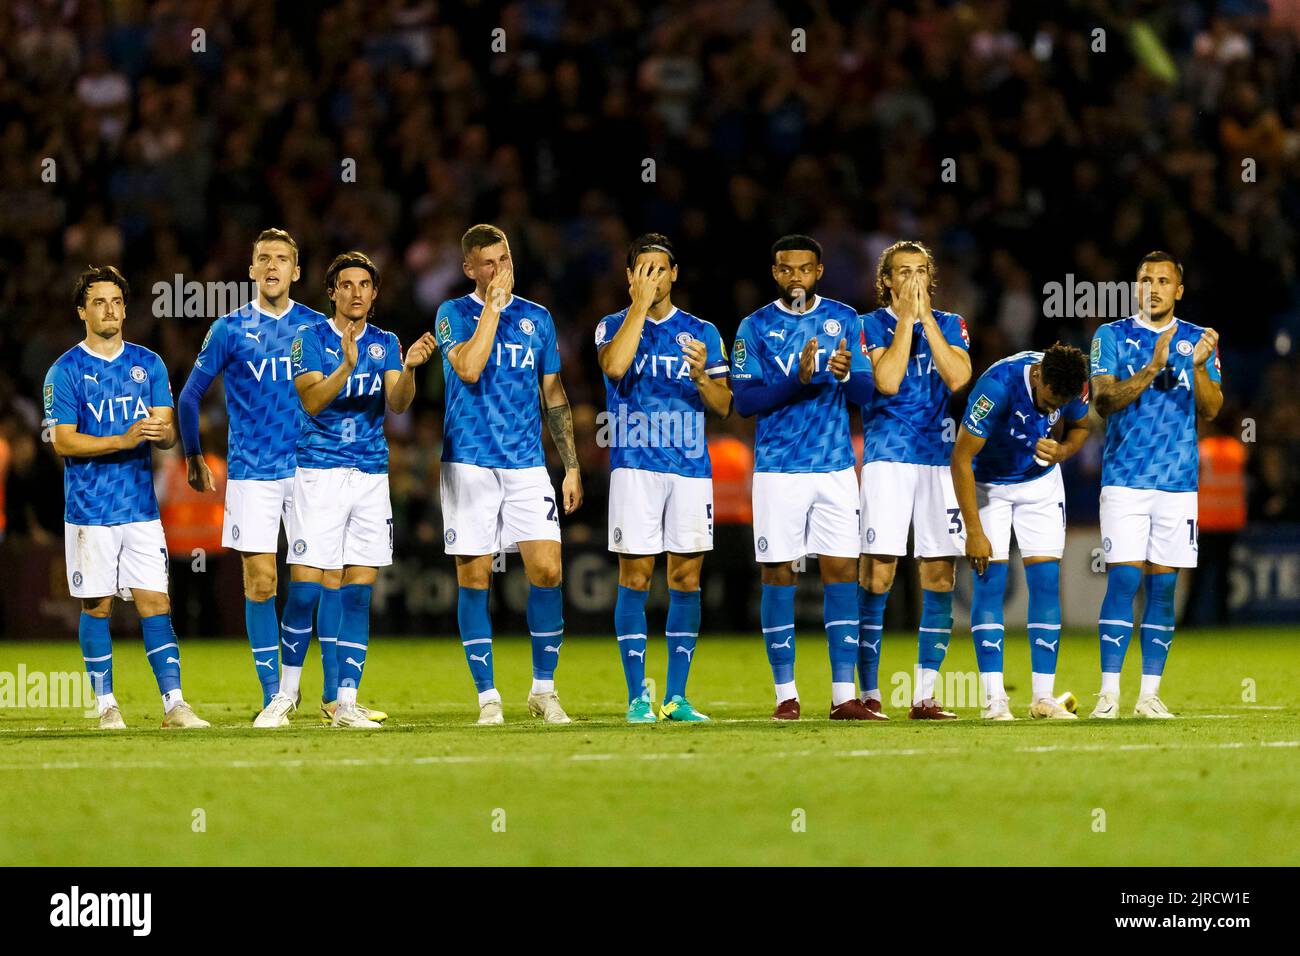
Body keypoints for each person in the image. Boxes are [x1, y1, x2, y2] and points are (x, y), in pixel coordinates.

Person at [256, 252, 435, 728]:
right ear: (332, 292)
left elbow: (397, 404)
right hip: (318, 474)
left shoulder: (387, 342)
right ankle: (285, 696)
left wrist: (411, 368)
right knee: (306, 589)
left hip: (372, 477)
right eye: (346, 284)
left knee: (359, 591)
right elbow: (312, 400)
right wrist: (347, 367)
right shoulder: (308, 339)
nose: (356, 292)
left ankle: (346, 701)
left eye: (364, 285)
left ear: (374, 294)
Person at [43, 265, 209, 729]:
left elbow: (166, 431)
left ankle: (175, 704)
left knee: (156, 603)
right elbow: (63, 441)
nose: (110, 309)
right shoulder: (65, 371)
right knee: (97, 605)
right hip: (90, 510)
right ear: (82, 311)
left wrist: (160, 433)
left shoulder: (148, 363)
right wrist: (124, 438)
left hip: (139, 509)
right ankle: (106, 706)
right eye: (99, 301)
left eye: (116, 301)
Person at [436, 224, 583, 725]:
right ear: (469, 269)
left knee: (547, 571)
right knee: (475, 577)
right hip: (469, 462)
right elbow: (471, 369)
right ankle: (488, 697)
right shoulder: (451, 315)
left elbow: (554, 394)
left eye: (505, 258)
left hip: (526, 466)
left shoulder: (538, 318)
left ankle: (544, 690)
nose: (500, 269)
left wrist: (571, 465)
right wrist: (493, 313)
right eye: (489, 263)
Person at [731, 235, 876, 720]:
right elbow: (745, 401)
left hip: (835, 468)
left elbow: (865, 390)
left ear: (819, 270)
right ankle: (785, 695)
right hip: (778, 470)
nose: (796, 277)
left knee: (841, 573)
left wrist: (843, 373)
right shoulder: (754, 327)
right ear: (775, 273)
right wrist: (799, 378)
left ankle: (842, 696)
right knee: (779, 573)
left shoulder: (845, 319)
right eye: (786, 269)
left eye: (805, 269)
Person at [596, 233, 732, 722]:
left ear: (675, 274)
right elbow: (614, 367)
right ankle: (638, 698)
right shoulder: (612, 326)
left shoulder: (702, 332)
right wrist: (637, 307)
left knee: (685, 578)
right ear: (631, 277)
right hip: (634, 470)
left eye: (661, 269)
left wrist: (700, 376)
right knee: (635, 578)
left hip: (690, 472)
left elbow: (724, 405)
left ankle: (676, 697)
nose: (654, 277)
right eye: (643, 269)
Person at [1088, 251, 1222, 718]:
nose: (1155, 288)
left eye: (1164, 281)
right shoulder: (1111, 336)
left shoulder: (1198, 340)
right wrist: (1150, 369)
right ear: (1135, 287)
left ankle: (1149, 695)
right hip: (1125, 479)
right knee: (1124, 579)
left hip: (1178, 484)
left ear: (1178, 290)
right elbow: (1103, 400)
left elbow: (1211, 410)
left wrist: (1200, 367)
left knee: (1163, 590)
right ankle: (1108, 693)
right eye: (1146, 279)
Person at [857, 241, 972, 719]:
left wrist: (925, 320)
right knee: (878, 572)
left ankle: (925, 695)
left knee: (939, 574)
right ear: (886, 282)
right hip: (887, 458)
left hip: (938, 461)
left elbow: (959, 378)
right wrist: (906, 320)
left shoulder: (950, 324)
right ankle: (867, 693)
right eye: (902, 273)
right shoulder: (867, 325)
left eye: (920, 271)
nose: (913, 281)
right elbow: (886, 380)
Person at [950, 345, 1091, 720]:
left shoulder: (1072, 384)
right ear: (1039, 376)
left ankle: (1043, 698)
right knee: (990, 583)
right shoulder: (996, 388)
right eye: (1047, 401)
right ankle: (994, 699)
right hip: (988, 485)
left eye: (1056, 405)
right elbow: (960, 459)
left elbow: (1080, 427)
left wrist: (1063, 451)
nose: (1049, 410)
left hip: (1039, 484)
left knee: (1045, 582)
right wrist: (974, 530)